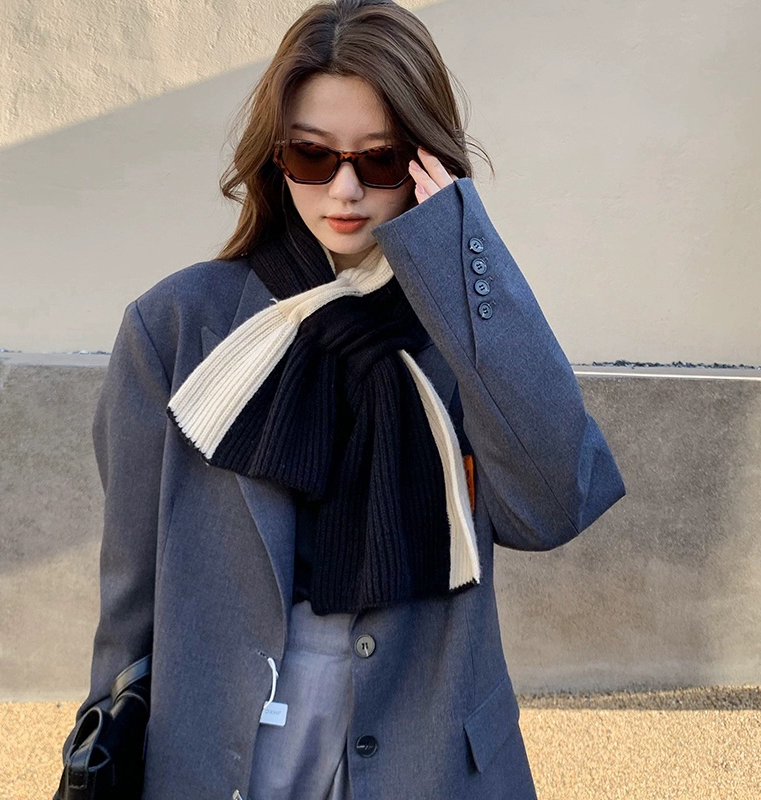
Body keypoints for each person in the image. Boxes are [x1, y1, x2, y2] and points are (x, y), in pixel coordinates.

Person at [58, 1, 626, 798]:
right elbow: (131, 594)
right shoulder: (177, 328)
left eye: (381, 159)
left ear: (425, 158)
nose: (346, 189)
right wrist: (105, 749)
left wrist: (463, 250)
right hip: (226, 758)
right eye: (313, 156)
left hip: (427, 762)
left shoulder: (463, 326)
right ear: (276, 156)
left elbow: (553, 504)